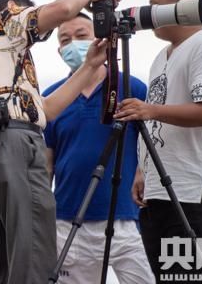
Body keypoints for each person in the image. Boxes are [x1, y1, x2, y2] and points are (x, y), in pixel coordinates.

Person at [0, 0, 121, 284]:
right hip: (11, 146)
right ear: (13, 8)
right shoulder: (4, 22)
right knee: (33, 254)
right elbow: (59, 9)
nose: (40, 34)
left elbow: (47, 110)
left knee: (0, 263)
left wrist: (90, 66)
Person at [115, 0, 202, 282]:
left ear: (180, 4)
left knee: (188, 278)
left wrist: (148, 109)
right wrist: (143, 170)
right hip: (160, 190)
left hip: (195, 191)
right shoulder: (162, 57)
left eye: (155, 6)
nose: (150, 16)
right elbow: (157, 121)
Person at [42, 14, 154, 283]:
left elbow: (152, 146)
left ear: (100, 39)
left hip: (125, 217)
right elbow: (46, 164)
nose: (73, 44)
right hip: (67, 219)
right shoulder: (50, 99)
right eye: (65, 40)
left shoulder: (131, 88)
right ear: (59, 51)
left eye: (82, 36)